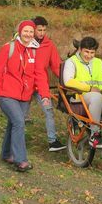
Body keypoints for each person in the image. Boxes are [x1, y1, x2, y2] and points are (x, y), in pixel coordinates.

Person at [0, 20, 50, 172]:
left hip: (25, 97)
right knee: (19, 122)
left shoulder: (35, 51)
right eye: (25, 31)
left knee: (13, 123)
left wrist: (44, 95)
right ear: (20, 32)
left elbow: (40, 75)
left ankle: (7, 154)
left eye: (31, 32)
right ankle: (21, 160)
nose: (28, 34)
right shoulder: (9, 48)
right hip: (6, 94)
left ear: (34, 34)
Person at [29, 16, 66, 152]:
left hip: (41, 86)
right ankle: (15, 138)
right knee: (20, 115)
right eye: (39, 30)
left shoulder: (49, 45)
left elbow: (56, 66)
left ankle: (52, 141)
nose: (42, 33)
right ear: (33, 29)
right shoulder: (25, 43)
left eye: (44, 30)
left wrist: (66, 79)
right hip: (25, 84)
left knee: (49, 111)